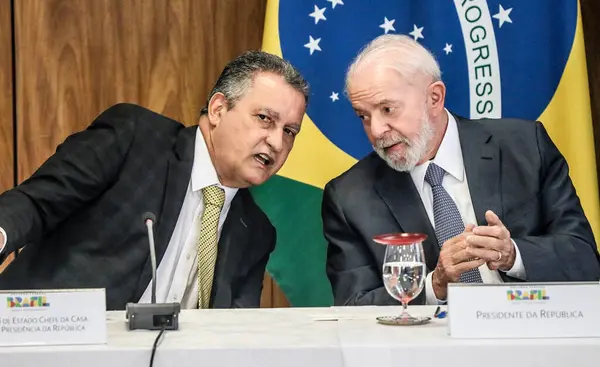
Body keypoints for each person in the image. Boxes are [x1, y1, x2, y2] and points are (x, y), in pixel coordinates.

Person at [0, 50, 308, 310]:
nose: (277, 143)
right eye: (264, 119)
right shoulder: (136, 140)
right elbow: (37, 202)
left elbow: (232, 337)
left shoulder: (255, 231)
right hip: (44, 344)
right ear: (218, 109)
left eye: (289, 131)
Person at [322, 34, 600, 306]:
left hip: (535, 337)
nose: (376, 130)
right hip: (426, 350)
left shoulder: (525, 147)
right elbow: (353, 306)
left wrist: (512, 255)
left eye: (388, 109)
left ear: (434, 98)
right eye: (363, 116)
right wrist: (435, 284)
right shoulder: (349, 197)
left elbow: (584, 259)